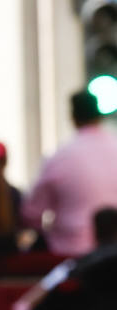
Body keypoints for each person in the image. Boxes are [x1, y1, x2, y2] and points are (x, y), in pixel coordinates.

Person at [22, 89, 117, 257]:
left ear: (72, 117)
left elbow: (31, 214)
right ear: (100, 116)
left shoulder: (60, 157)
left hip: (72, 257)